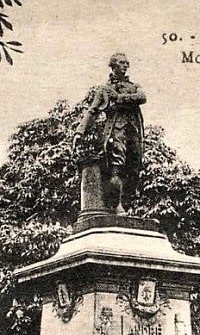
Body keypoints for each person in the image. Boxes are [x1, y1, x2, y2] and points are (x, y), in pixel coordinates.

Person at [72, 52, 146, 214]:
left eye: (127, 63)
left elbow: (142, 97)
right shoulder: (104, 90)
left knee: (133, 170)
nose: (126, 65)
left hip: (133, 132)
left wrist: (119, 98)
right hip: (115, 131)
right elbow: (92, 111)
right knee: (116, 167)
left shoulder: (134, 86)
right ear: (113, 66)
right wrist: (80, 132)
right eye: (121, 63)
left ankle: (127, 204)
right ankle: (117, 205)